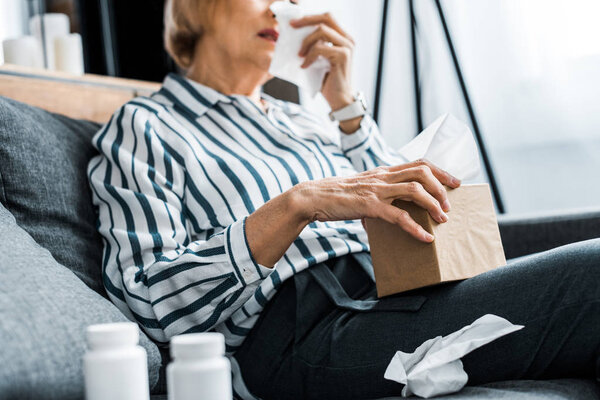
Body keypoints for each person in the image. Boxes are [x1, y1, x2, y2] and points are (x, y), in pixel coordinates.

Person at [87, 0, 600, 399]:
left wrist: (344, 106)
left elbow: (408, 200)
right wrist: (297, 204)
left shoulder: (306, 118)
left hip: (400, 288)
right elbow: (147, 300)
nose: (281, 10)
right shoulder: (146, 125)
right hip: (304, 330)